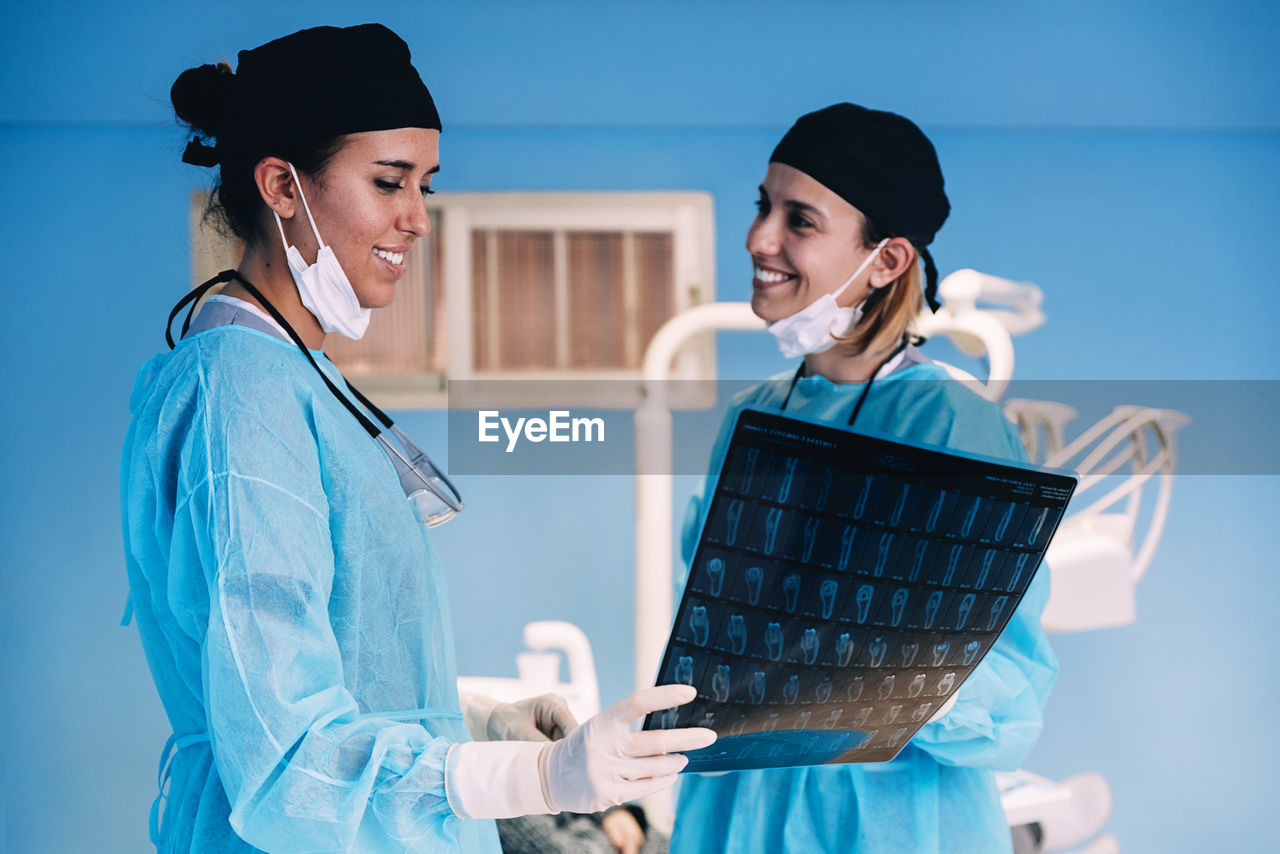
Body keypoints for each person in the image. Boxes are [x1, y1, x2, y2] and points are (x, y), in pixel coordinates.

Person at [121, 24, 713, 853]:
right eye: (390, 182)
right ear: (282, 187)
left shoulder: (297, 377)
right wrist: (543, 779)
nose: (419, 219)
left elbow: (333, 673)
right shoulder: (243, 392)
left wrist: (479, 726)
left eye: (426, 186)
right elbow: (288, 753)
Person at [667, 104, 1058, 853]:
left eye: (800, 220)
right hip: (736, 815)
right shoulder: (756, 417)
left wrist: (865, 672)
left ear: (887, 260)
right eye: (763, 206)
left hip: (890, 822)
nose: (758, 238)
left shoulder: (950, 425)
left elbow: (1010, 689)